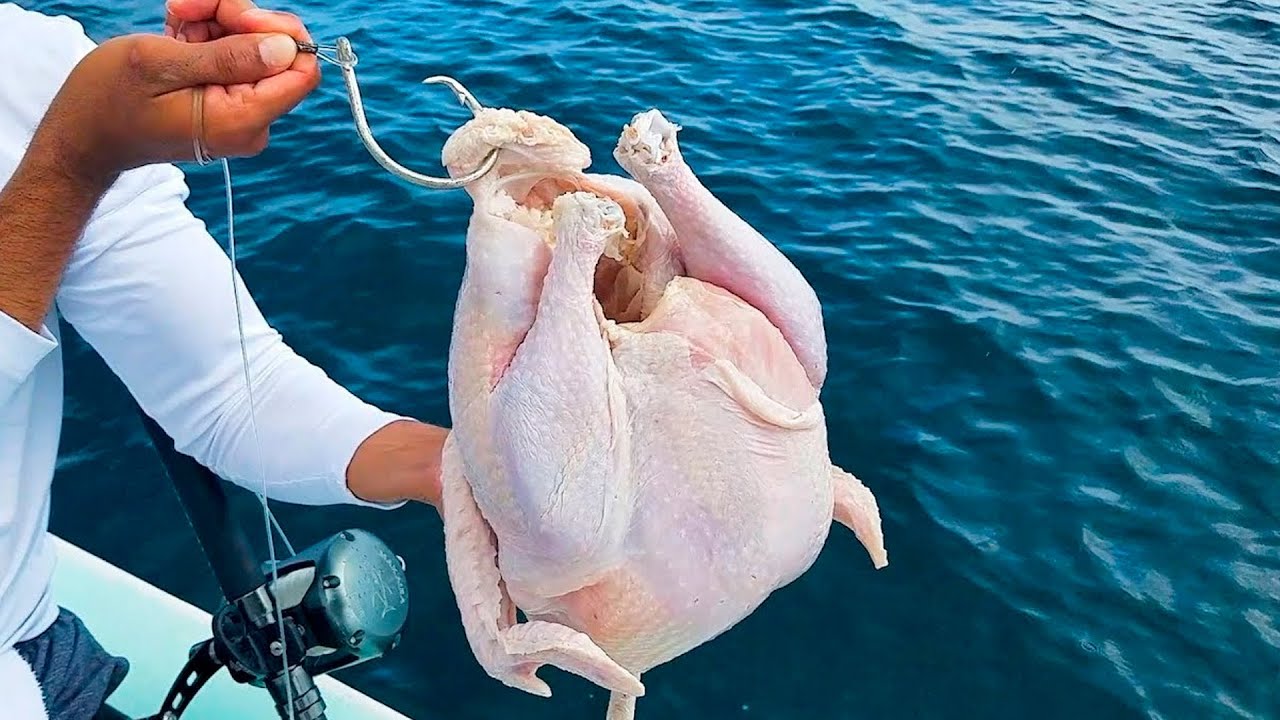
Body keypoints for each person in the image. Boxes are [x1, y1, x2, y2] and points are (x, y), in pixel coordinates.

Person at [0, 1, 451, 717]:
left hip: (38, 650)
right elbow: (73, 154)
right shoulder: (74, 110)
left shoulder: (29, 66)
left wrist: (458, 469)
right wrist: (71, 163)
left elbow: (230, 392)